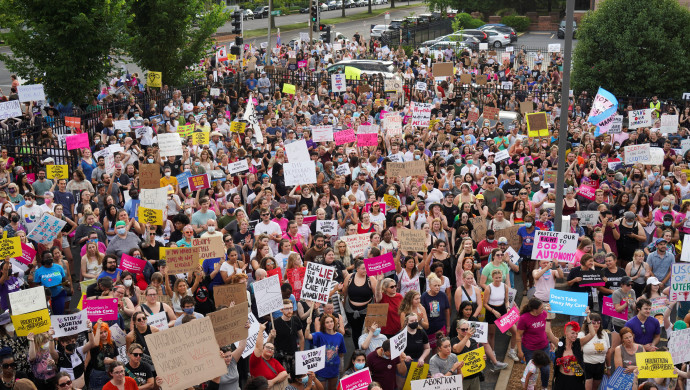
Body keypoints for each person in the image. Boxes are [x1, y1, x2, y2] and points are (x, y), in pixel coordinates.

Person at [516, 298, 559, 390]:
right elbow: (518, 335)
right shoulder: (524, 318)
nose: (543, 309)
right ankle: (532, 387)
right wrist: (520, 351)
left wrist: (551, 341)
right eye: (541, 308)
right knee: (532, 371)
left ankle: (544, 387)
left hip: (544, 346)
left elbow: (548, 329)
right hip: (529, 349)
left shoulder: (544, 314)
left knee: (546, 369)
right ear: (534, 310)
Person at [305, 313, 346, 390]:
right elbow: (307, 336)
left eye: (331, 321)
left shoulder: (340, 336)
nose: (330, 324)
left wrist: (339, 365)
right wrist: (308, 324)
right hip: (321, 369)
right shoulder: (319, 335)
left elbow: (341, 352)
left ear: (334, 322)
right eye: (327, 322)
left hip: (334, 369)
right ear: (323, 324)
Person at [249, 323, 289, 390]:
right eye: (267, 347)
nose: (270, 349)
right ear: (263, 349)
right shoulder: (256, 360)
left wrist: (272, 382)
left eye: (272, 349)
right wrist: (261, 331)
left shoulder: (274, 361)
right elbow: (258, 348)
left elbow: (284, 373)